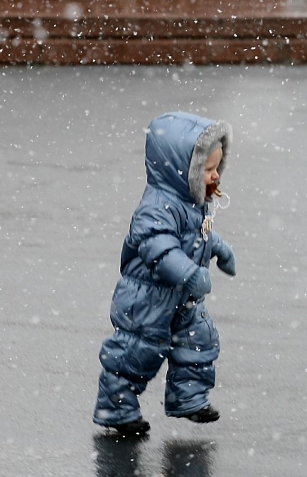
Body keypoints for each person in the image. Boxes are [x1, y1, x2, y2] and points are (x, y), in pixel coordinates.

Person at [93, 112, 236, 436]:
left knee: (198, 342)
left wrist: (219, 248)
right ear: (181, 170)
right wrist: (188, 273)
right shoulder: (156, 206)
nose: (215, 176)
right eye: (208, 169)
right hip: (148, 296)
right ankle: (116, 407)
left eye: (217, 168)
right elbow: (158, 246)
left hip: (183, 297)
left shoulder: (192, 202)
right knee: (137, 352)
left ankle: (189, 398)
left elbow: (197, 235)